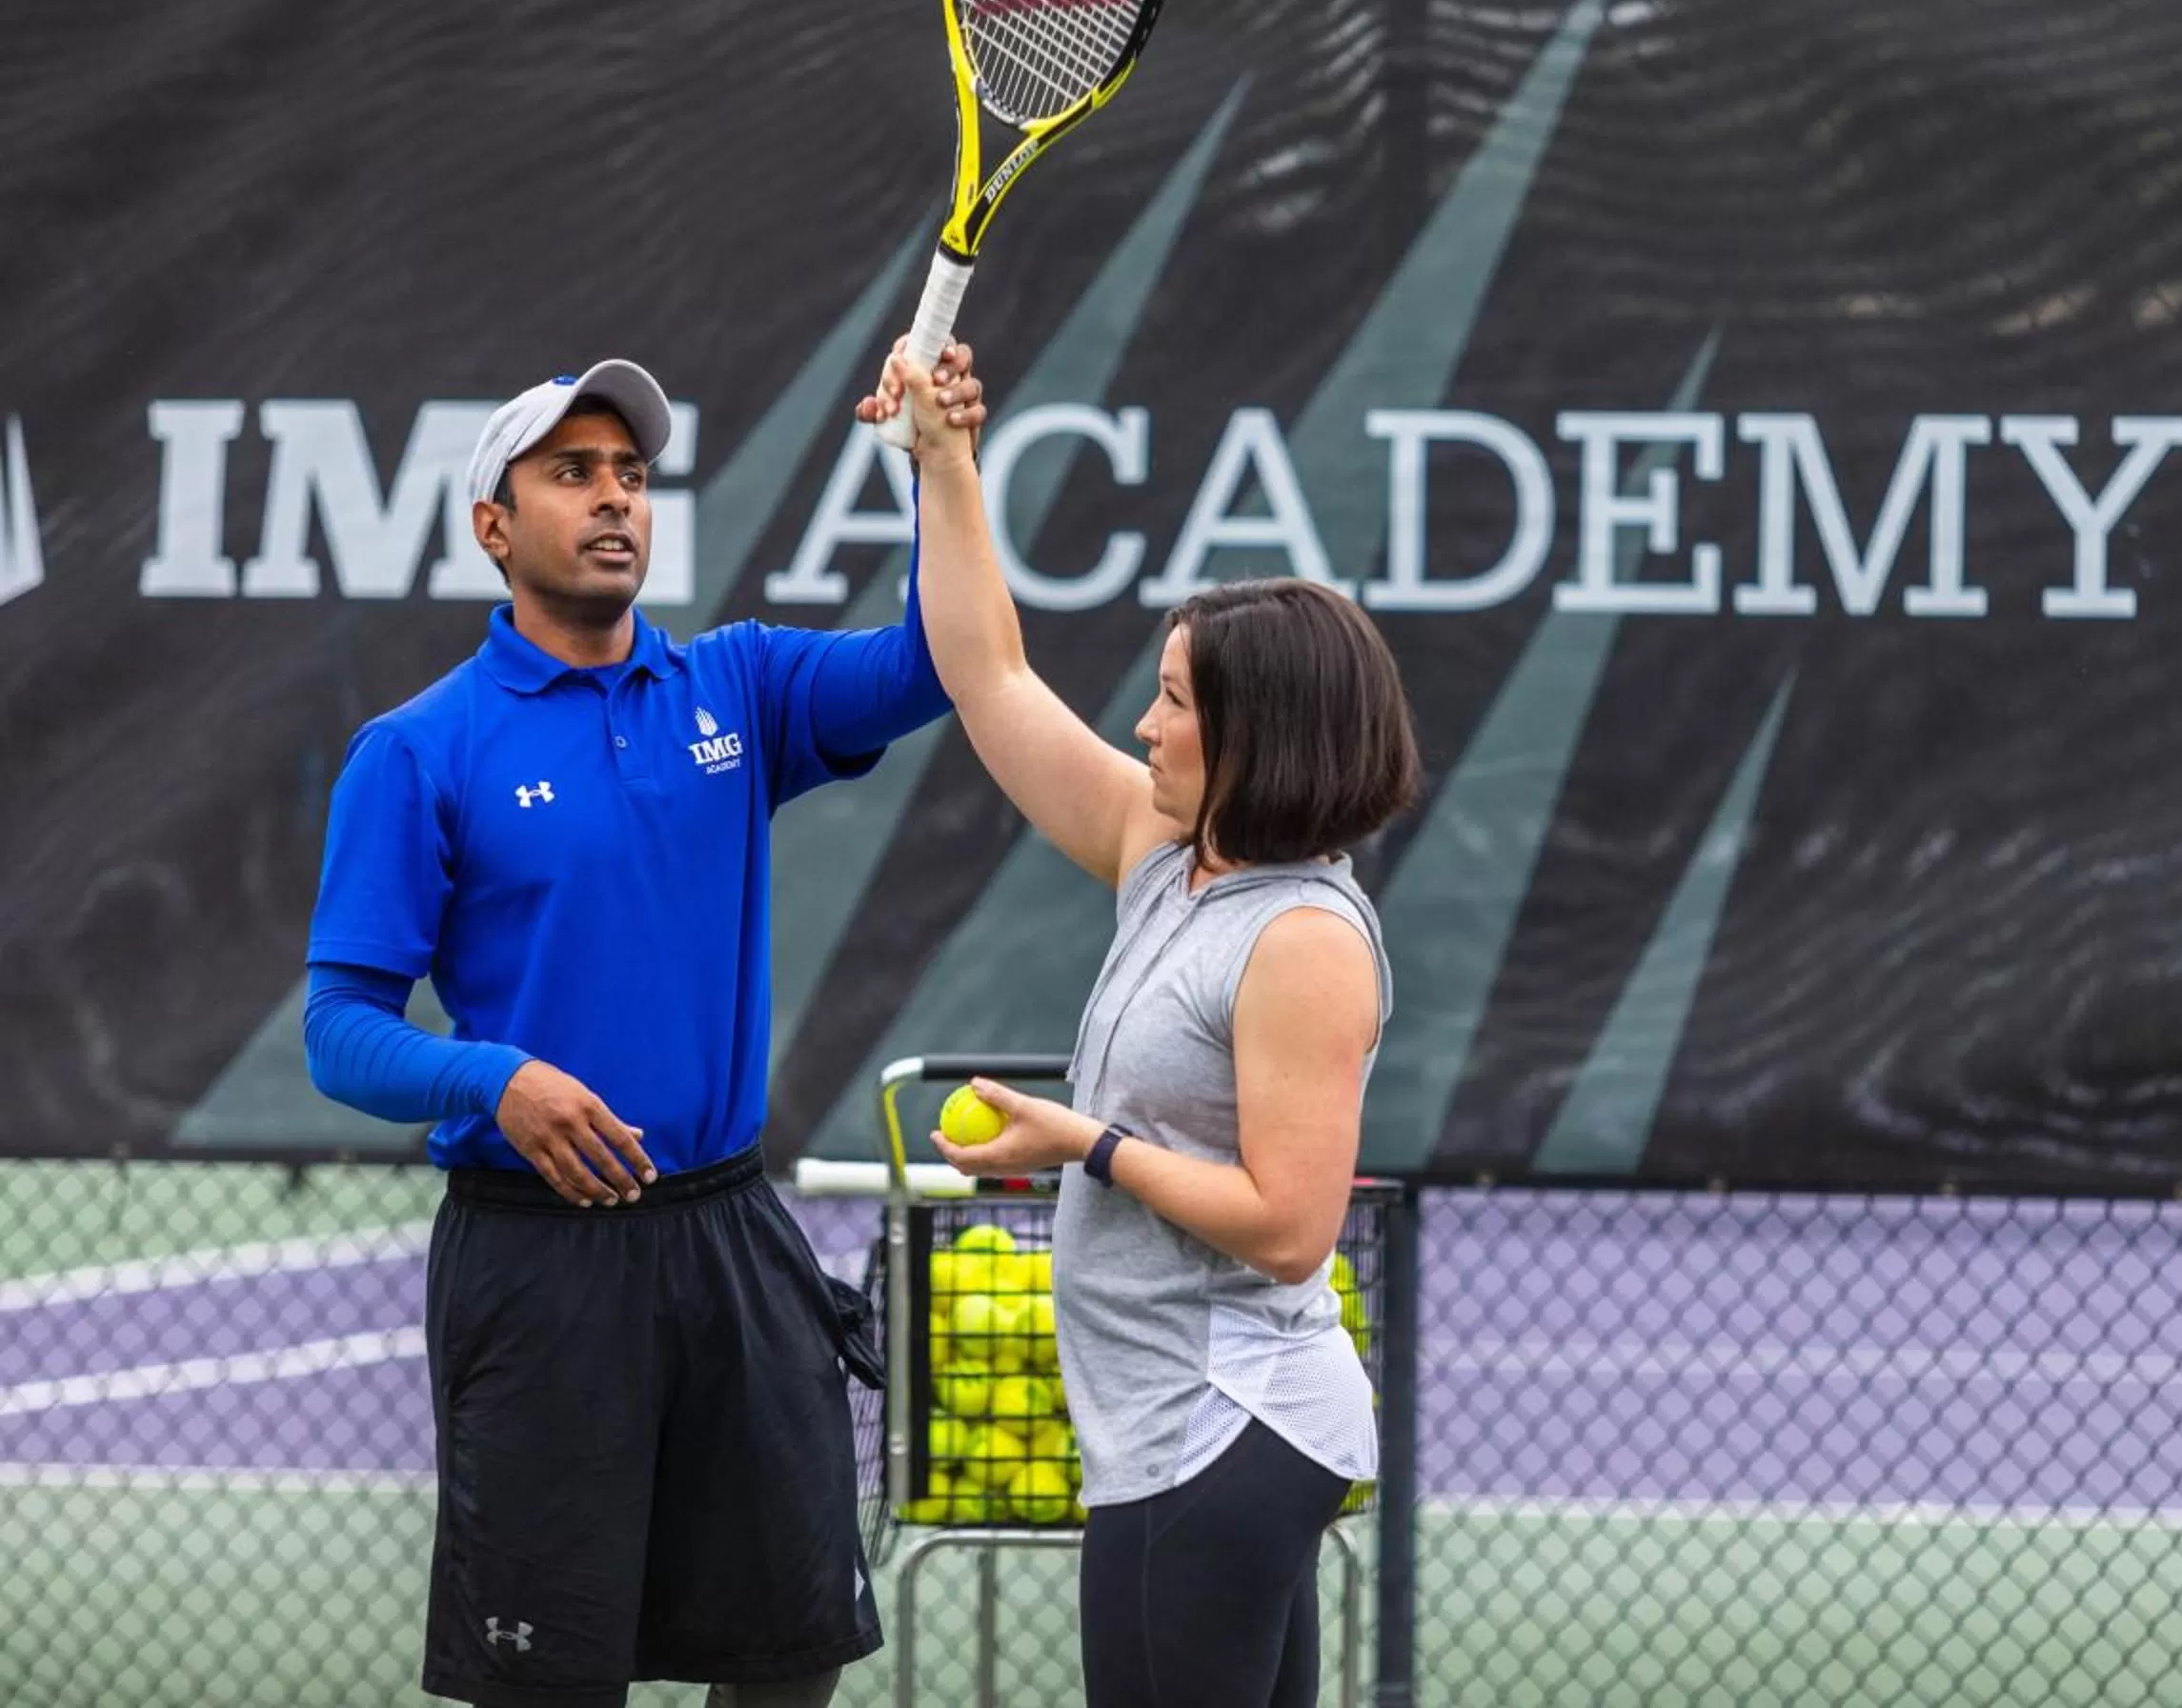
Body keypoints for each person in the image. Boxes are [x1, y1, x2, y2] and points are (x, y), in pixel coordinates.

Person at [301, 355, 985, 1708]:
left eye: (633, 474)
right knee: (547, 1686)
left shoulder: (737, 685)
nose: (614, 498)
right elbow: (338, 1030)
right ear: (494, 526)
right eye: (572, 473)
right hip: (538, 1266)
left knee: (791, 1664)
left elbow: (940, 662)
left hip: (732, 1241)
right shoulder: (419, 750)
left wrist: (940, 469)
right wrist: (495, 1080)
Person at [862, 338, 1419, 1708]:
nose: (1145, 724)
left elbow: (1291, 1226)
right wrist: (947, 465)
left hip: (1218, 1434)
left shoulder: (1302, 940)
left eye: (1173, 703)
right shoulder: (1167, 848)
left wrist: (1086, 1145)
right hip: (1181, 1430)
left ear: (1259, 737)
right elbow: (989, 675)